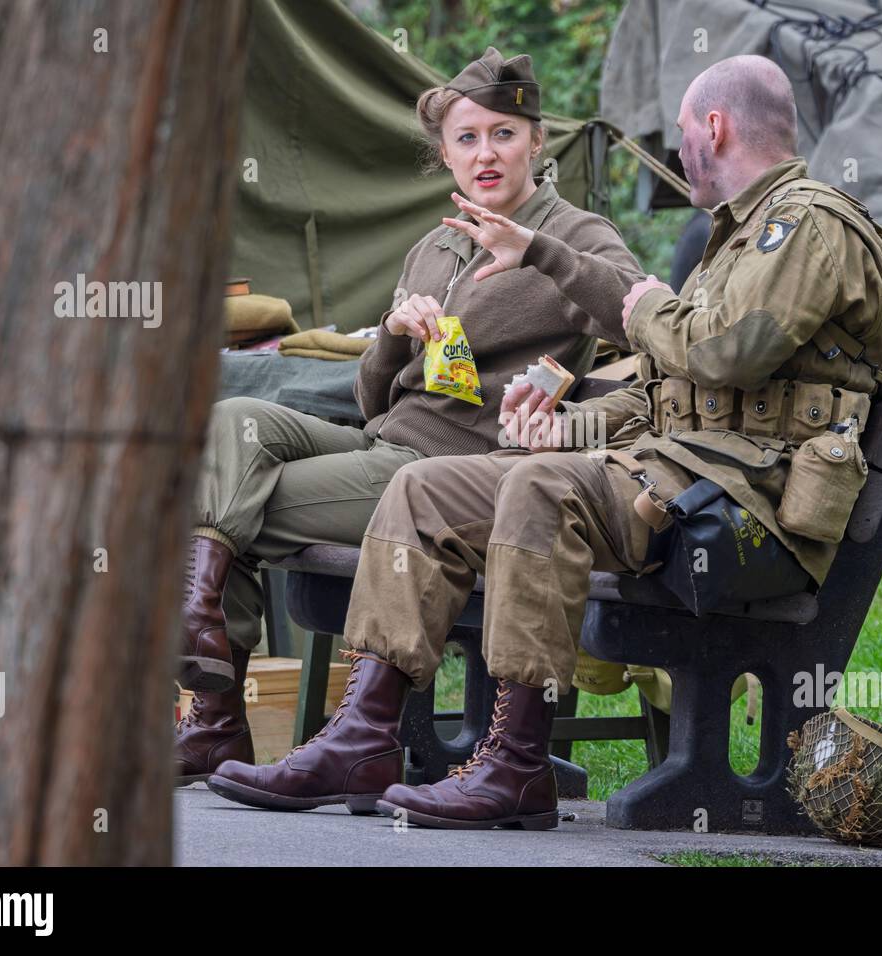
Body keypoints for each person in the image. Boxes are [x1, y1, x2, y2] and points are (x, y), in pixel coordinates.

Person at [208, 53, 882, 827]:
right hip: (666, 465)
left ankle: (516, 763)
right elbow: (659, 388)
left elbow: (719, 355)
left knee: (536, 483)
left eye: (678, 134)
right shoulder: (731, 237)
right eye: (465, 138)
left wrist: (632, 304)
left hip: (734, 496)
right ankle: (363, 736)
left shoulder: (800, 224)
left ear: (715, 126)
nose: (674, 154)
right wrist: (567, 421)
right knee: (421, 486)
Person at [176, 47, 643, 788]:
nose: (484, 153)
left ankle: (214, 713)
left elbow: (641, 313)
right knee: (232, 423)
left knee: (224, 505)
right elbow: (373, 402)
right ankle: (205, 654)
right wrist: (395, 330)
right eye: (466, 138)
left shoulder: (574, 234)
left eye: (503, 134)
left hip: (448, 472)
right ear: (445, 154)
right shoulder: (436, 244)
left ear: (535, 141)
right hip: (381, 439)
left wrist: (542, 259)